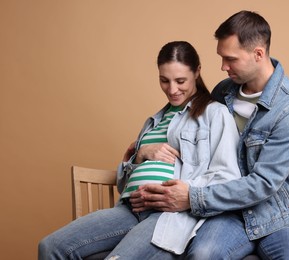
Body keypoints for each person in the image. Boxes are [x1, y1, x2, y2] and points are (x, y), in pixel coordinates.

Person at [130, 11, 289, 259]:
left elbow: (264, 184)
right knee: (203, 254)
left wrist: (192, 197)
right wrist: (141, 150)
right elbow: (187, 136)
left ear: (258, 54)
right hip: (227, 212)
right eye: (221, 58)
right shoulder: (223, 92)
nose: (222, 67)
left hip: (280, 214)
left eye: (230, 59)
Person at [38, 41, 242, 259]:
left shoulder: (214, 114)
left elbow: (227, 176)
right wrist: (141, 154)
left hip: (167, 215)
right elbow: (123, 185)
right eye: (164, 81)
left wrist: (180, 191)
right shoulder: (154, 121)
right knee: (50, 246)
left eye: (180, 81)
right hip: (129, 209)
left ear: (197, 72)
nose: (172, 89)